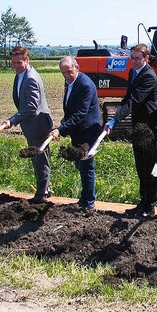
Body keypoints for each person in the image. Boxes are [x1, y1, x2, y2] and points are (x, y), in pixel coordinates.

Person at [104, 44, 157, 219]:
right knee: (140, 165)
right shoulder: (133, 73)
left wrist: (116, 118)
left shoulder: (149, 76)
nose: (134, 61)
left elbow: (134, 100)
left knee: (150, 166)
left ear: (146, 58)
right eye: (132, 58)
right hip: (138, 126)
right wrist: (113, 118)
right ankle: (142, 202)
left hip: (150, 127)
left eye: (138, 58)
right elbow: (127, 97)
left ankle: (150, 205)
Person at [50, 56, 103, 212]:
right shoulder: (69, 83)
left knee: (87, 165)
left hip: (88, 130)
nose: (67, 75)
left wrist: (61, 129)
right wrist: (63, 124)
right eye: (63, 73)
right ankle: (84, 198)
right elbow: (70, 108)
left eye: (69, 71)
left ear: (77, 67)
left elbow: (80, 113)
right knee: (80, 165)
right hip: (77, 130)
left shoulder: (85, 85)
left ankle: (89, 202)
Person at [1, 46, 53, 204]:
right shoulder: (20, 75)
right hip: (30, 124)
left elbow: (32, 106)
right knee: (38, 159)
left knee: (40, 158)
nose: (16, 66)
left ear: (27, 60)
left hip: (38, 124)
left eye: (19, 62)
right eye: (14, 62)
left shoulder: (30, 78)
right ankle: (45, 188)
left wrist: (13, 120)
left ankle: (42, 192)